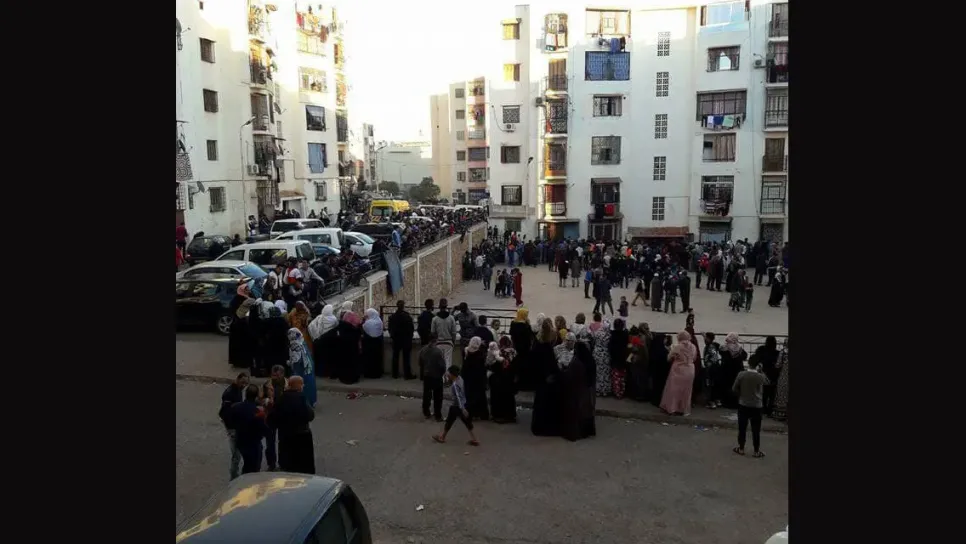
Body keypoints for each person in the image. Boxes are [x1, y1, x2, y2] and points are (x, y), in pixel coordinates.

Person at [270, 375, 317, 473]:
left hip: (285, 436)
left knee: (287, 465)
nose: (303, 386)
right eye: (302, 384)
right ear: (298, 386)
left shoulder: (282, 398)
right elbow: (310, 415)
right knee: (301, 465)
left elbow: (273, 417)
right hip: (301, 436)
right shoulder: (301, 398)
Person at [226, 384, 269, 475]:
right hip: (253, 443)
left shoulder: (236, 407)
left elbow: (230, 421)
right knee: (252, 468)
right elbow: (264, 429)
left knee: (243, 462)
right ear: (256, 396)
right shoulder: (258, 412)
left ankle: (235, 476)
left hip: (240, 440)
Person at [432, 365, 480, 446]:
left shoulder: (455, 385)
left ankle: (442, 437)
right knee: (467, 422)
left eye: (449, 373)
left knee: (449, 421)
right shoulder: (460, 379)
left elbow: (458, 397)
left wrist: (462, 409)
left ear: (452, 374)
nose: (447, 375)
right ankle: (475, 439)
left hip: (456, 406)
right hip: (463, 404)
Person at [531, 318, 562, 437]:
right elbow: (550, 364)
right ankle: (547, 428)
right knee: (547, 404)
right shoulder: (546, 347)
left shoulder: (537, 343)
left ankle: (538, 427)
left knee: (540, 403)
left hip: (540, 380)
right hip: (546, 381)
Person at [732, 362, 770, 458]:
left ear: (749, 363)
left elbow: (734, 389)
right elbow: (768, 382)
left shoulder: (741, 374)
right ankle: (756, 451)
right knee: (756, 430)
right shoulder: (760, 376)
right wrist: (762, 371)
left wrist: (741, 395)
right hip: (757, 406)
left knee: (742, 428)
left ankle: (741, 448)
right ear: (758, 365)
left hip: (743, 404)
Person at [555, 332, 585, 442]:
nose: (569, 343)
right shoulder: (558, 349)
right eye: (567, 340)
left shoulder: (576, 352)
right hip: (562, 378)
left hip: (571, 382)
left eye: (571, 341)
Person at [219, 372, 249, 480]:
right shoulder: (230, 393)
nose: (244, 385)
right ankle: (233, 477)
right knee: (236, 454)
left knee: (237, 454)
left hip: (235, 426)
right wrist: (231, 428)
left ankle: (234, 475)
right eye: (242, 382)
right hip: (232, 427)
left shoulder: (238, 390)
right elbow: (225, 413)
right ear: (237, 379)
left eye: (246, 383)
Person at [660, 331, 698, 416]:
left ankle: (672, 408)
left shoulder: (678, 346)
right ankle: (684, 410)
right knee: (686, 391)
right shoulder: (693, 346)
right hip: (690, 370)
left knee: (674, 390)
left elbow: (669, 358)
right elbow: (694, 358)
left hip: (678, 370)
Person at [261, 365, 286, 471]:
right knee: (270, 442)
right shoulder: (267, 385)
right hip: (270, 416)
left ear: (283, 374)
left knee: (283, 442)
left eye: (277, 375)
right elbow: (259, 398)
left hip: (283, 417)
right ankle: (271, 464)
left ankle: (283, 463)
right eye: (273, 375)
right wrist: (266, 401)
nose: (274, 378)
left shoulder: (288, 385)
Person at [488, 336, 517, 423]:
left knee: (498, 397)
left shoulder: (499, 353)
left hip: (499, 379)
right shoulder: (513, 352)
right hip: (510, 378)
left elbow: (492, 365)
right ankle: (510, 415)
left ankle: (498, 415)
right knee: (509, 397)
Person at [574, 331, 597, 438]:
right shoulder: (590, 360)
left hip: (583, 390)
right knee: (589, 410)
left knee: (582, 410)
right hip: (590, 388)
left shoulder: (579, 363)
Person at [287, 328, 318, 407]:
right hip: (308, 369)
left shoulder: (295, 345)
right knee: (310, 385)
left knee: (300, 386)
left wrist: (290, 363)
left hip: (301, 370)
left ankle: (303, 404)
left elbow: (296, 360)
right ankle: (311, 402)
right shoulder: (302, 342)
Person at [419, 334, 446, 421]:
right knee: (438, 396)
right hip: (436, 376)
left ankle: (426, 412)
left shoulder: (423, 350)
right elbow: (442, 366)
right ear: (436, 340)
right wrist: (441, 374)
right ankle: (438, 415)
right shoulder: (438, 351)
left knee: (427, 395)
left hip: (427, 375)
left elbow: (420, 363)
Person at [462, 337, 490, 420]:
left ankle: (470, 414)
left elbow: (464, 366)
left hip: (468, 378)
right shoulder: (480, 354)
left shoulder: (466, 352)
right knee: (480, 396)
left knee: (469, 396)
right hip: (478, 379)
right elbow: (483, 368)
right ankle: (482, 414)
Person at [308, 304, 339, 379]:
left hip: (319, 341)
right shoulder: (334, 319)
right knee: (328, 357)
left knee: (319, 357)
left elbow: (311, 326)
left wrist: (315, 336)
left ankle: (319, 372)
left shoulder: (319, 317)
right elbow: (337, 328)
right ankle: (327, 372)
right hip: (329, 341)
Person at [752, 336, 781, 415]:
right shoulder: (777, 353)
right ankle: (770, 410)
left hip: (763, 374)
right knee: (772, 393)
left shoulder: (761, 350)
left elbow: (756, 359)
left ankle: (763, 408)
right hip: (774, 375)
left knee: (763, 392)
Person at [387, 300, 416, 379]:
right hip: (406, 339)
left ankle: (394, 374)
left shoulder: (392, 317)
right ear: (403, 306)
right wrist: (410, 337)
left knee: (395, 356)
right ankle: (407, 374)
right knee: (406, 358)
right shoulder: (407, 316)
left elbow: (390, 328)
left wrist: (393, 336)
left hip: (396, 339)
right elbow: (411, 328)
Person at [719, 333, 748, 409]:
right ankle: (736, 403)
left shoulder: (723, 348)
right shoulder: (739, 348)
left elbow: (722, 355)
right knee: (736, 386)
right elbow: (745, 356)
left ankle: (726, 403)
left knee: (727, 386)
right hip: (737, 371)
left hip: (726, 371)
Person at [336, 302, 363, 384]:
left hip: (344, 346)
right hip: (352, 347)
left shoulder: (342, 324)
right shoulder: (354, 329)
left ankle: (344, 377)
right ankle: (353, 378)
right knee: (353, 362)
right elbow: (359, 331)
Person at [509, 308, 534, 391]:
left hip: (516, 348)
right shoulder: (525, 326)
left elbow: (511, 335)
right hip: (525, 350)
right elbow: (530, 337)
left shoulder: (513, 324)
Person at [430, 298, 458, 366]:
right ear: (446, 306)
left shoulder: (435, 319)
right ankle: (447, 373)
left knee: (439, 363)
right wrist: (453, 342)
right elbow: (454, 332)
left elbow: (433, 332)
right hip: (448, 342)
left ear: (439, 307)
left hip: (438, 342)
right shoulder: (451, 318)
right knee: (448, 362)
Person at [361, 309, 385, 379]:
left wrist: (364, 320)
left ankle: (368, 374)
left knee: (369, 359)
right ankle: (377, 374)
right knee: (377, 359)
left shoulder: (368, 323)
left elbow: (363, 328)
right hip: (378, 344)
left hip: (369, 344)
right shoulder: (379, 322)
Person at [609, 319, 630, 399]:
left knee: (616, 376)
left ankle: (617, 392)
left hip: (615, 358)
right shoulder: (625, 334)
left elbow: (610, 347)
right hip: (623, 357)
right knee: (622, 376)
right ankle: (622, 391)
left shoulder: (612, 334)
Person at [703, 332, 723, 409]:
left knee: (710, 385)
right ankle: (717, 400)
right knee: (715, 384)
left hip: (711, 368)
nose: (704, 339)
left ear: (709, 339)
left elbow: (713, 357)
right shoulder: (713, 345)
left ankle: (711, 401)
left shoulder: (710, 347)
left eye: (706, 338)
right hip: (715, 367)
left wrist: (709, 364)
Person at [592, 320, 612, 397]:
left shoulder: (597, 333)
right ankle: (605, 391)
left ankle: (597, 390)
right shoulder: (609, 335)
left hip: (597, 353)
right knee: (605, 372)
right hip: (605, 354)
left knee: (597, 372)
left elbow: (593, 340)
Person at [771, 340, 789, 421]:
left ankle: (781, 414)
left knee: (782, 392)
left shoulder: (783, 352)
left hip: (784, 375)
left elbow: (778, 365)